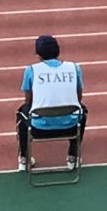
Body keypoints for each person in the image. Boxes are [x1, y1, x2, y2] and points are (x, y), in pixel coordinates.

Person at [17, 34, 86, 172]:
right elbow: (78, 98)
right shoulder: (74, 68)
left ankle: (24, 159)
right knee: (82, 111)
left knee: (21, 112)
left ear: (38, 54)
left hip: (38, 129)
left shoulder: (31, 70)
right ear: (58, 51)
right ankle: (73, 156)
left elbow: (28, 101)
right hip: (70, 127)